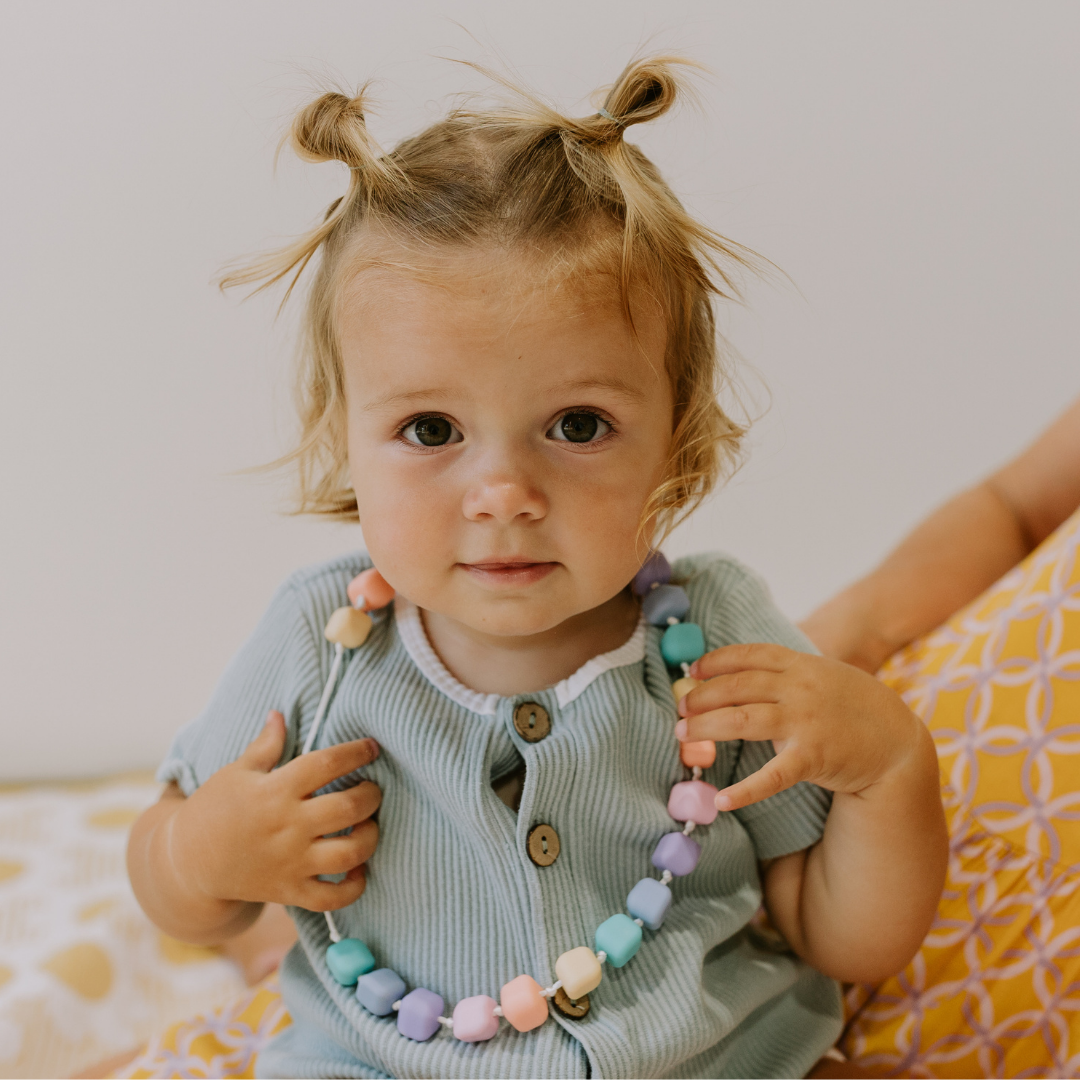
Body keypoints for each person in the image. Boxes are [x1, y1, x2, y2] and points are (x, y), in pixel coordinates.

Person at [123, 58, 946, 1079]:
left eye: (577, 425)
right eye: (431, 428)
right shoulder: (317, 649)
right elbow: (166, 869)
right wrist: (199, 856)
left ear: (676, 442)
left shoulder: (715, 639)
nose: (504, 491)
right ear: (345, 439)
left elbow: (842, 941)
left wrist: (890, 769)